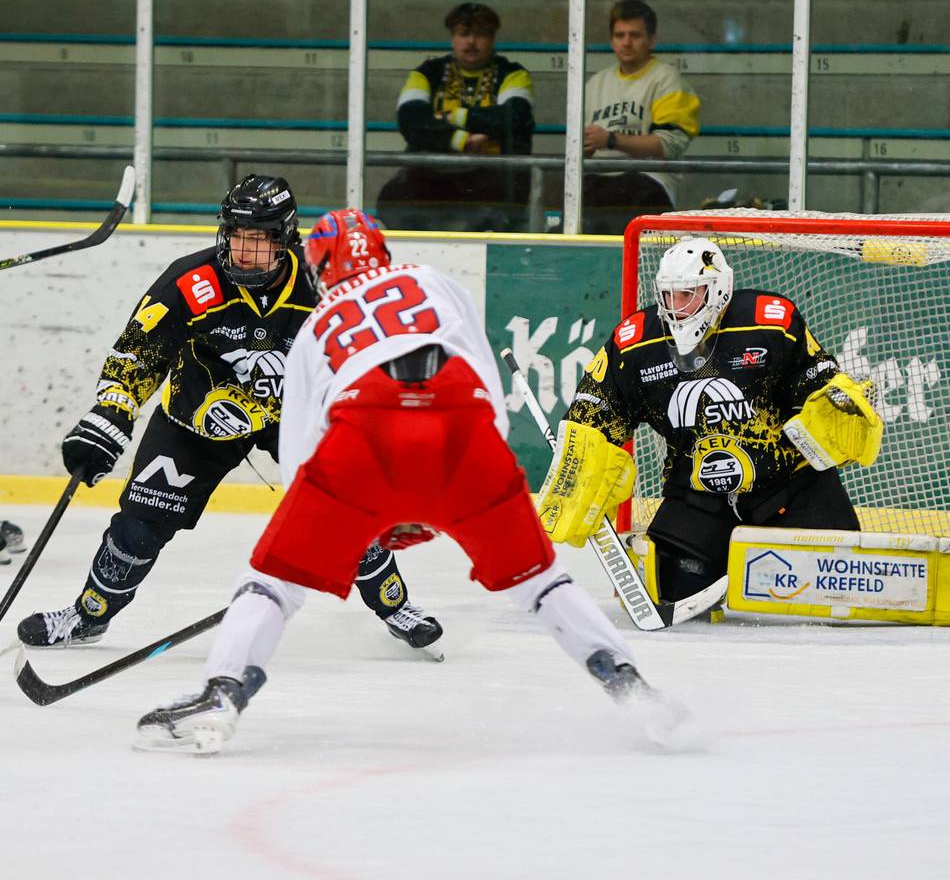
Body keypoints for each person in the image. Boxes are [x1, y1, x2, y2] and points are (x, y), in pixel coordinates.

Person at [134, 208, 688, 754]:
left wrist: (349, 522)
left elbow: (301, 452)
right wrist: (459, 488)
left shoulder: (317, 323)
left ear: (320, 266)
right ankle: (630, 685)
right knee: (541, 581)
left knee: (272, 583)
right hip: (465, 428)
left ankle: (223, 692)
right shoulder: (431, 280)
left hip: (362, 433)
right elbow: (483, 380)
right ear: (382, 253)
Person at [17, 177, 442, 655]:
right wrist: (111, 413)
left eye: (256, 240)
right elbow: (137, 354)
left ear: (284, 239)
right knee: (138, 526)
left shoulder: (319, 283)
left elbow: (363, 357)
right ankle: (89, 615)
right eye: (236, 236)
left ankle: (395, 606)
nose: (242, 251)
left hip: (293, 417)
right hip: (194, 421)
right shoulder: (192, 280)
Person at [535, 237, 882, 605]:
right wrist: (578, 460)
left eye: (688, 294)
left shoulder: (770, 323)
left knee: (839, 587)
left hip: (786, 487)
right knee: (671, 591)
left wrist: (838, 405)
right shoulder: (635, 343)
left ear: (717, 289)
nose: (676, 307)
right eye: (668, 296)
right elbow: (596, 413)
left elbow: (816, 384)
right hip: (698, 495)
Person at [375, 2, 535, 232]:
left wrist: (453, 116)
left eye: (480, 34)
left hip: (493, 176)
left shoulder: (513, 73)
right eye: (464, 34)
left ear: (492, 38)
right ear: (453, 37)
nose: (471, 41)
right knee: (393, 198)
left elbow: (513, 117)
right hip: (433, 175)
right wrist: (460, 140)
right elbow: (411, 121)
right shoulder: (427, 73)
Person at [582, 0, 701, 235]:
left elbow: (667, 145)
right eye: (620, 35)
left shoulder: (666, 78)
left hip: (648, 182)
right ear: (611, 40)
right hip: (599, 181)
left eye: (635, 35)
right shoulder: (595, 83)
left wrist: (611, 140)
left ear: (652, 40)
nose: (626, 42)